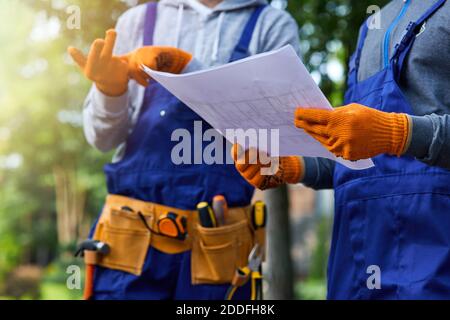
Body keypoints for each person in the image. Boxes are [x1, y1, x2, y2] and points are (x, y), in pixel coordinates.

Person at [69, 0, 300, 300]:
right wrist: (110, 92)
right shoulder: (136, 22)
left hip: (218, 248)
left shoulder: (271, 25)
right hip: (129, 243)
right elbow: (101, 138)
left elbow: (276, 137)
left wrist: (185, 67)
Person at [233, 0, 450, 299]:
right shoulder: (371, 28)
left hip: (435, 246)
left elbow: (386, 138)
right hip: (357, 251)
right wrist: (294, 166)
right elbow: (356, 158)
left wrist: (399, 134)